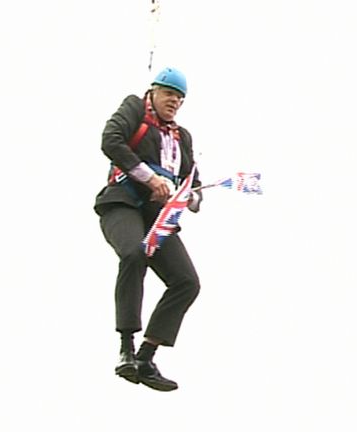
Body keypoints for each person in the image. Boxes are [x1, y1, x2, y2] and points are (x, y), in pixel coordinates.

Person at [94, 67, 202, 392]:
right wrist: (149, 177)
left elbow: (191, 180)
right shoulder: (134, 109)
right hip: (123, 204)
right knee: (133, 253)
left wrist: (192, 195)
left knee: (187, 282)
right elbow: (110, 141)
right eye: (170, 94)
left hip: (158, 217)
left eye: (180, 99)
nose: (175, 102)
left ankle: (146, 356)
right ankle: (126, 348)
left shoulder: (181, 137)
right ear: (154, 91)